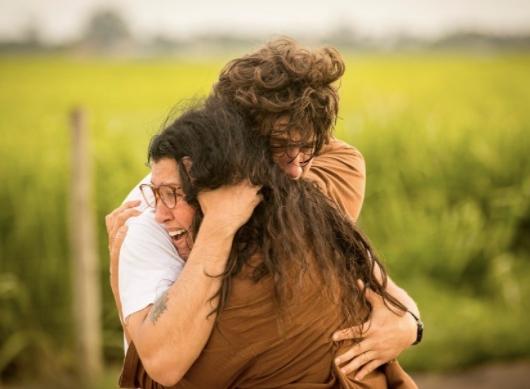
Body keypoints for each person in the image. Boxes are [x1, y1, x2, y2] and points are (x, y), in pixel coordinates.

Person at [106, 38, 421, 385]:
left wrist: (408, 317)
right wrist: (218, 228)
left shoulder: (326, 177)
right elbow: (162, 364)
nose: (297, 170)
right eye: (280, 148)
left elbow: (349, 265)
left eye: (307, 149)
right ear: (234, 138)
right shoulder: (146, 218)